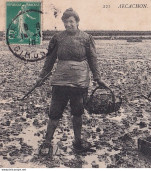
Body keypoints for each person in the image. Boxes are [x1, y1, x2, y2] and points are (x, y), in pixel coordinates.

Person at [37, 8, 106, 154]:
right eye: (65, 22)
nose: (68, 25)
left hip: (79, 83)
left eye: (71, 21)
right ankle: (47, 142)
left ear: (77, 22)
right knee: (54, 112)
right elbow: (49, 60)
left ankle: (78, 142)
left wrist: (98, 77)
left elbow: (93, 59)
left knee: (78, 112)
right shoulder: (57, 38)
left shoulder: (87, 38)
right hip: (60, 82)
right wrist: (42, 77)